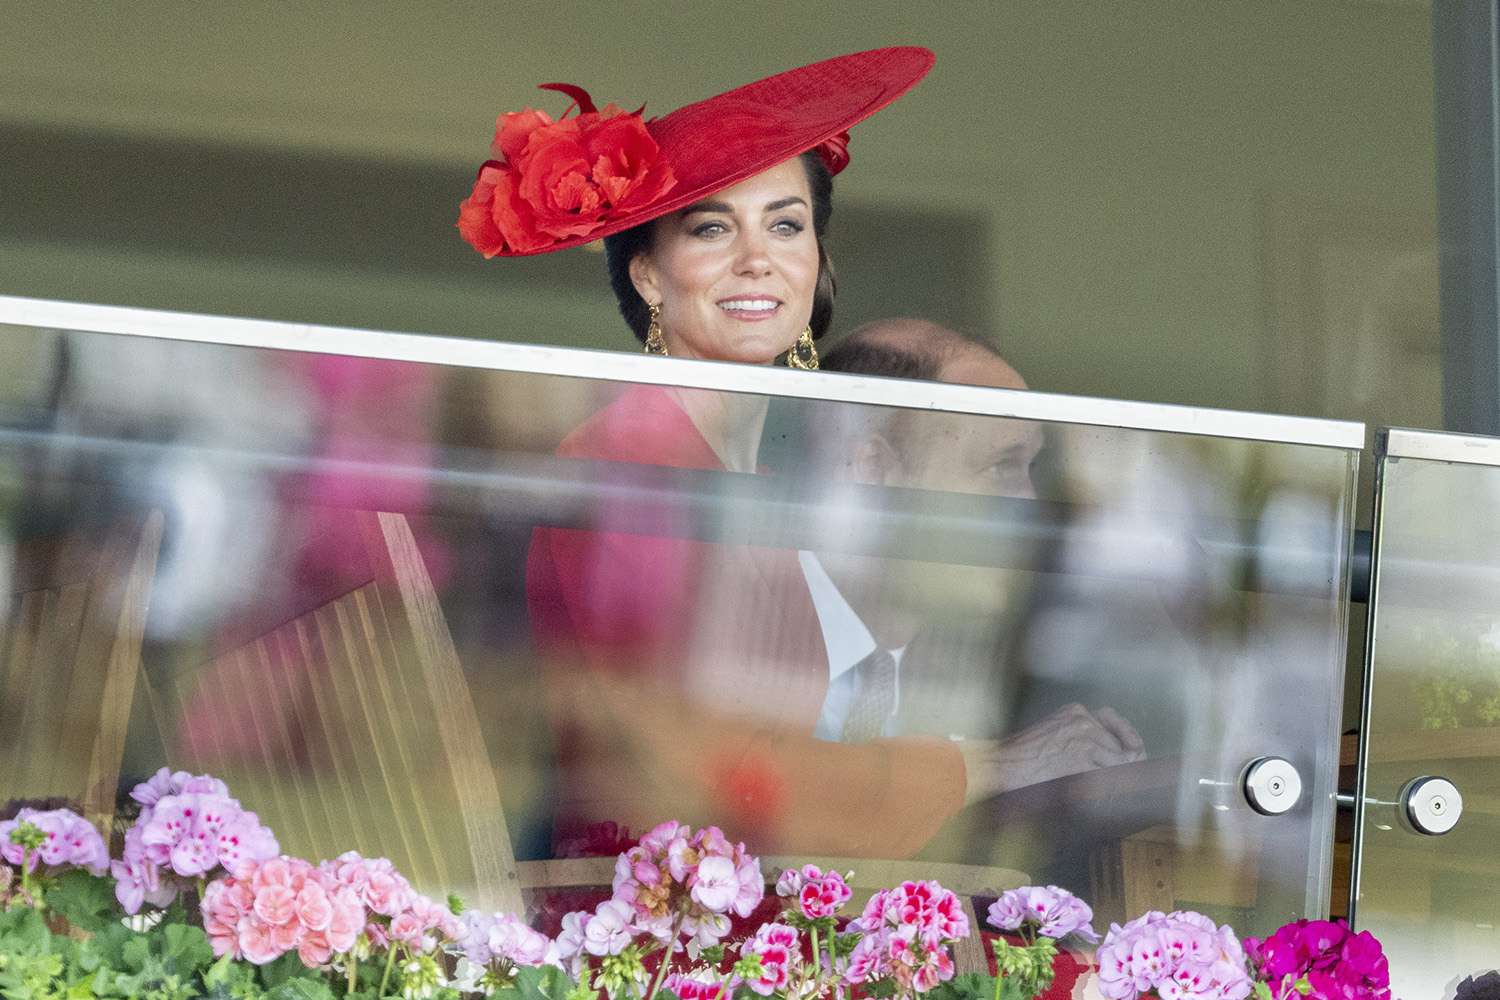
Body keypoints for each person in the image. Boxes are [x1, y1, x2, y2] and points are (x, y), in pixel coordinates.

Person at [459, 50, 978, 858]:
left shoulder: (762, 470)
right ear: (650, 276)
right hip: (655, 917)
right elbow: (669, 744)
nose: (757, 258)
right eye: (712, 227)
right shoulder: (633, 458)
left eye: (785, 223)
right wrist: (957, 773)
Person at [810, 319, 1146, 796]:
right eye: (1001, 467)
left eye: (1030, 468)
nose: (1031, 507)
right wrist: (997, 767)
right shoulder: (732, 631)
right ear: (873, 470)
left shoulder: (964, 684)